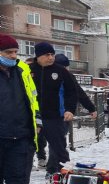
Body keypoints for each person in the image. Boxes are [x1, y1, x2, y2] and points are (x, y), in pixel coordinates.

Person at [0, 35, 40, 184]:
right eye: (8, 52)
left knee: (16, 179)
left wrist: (37, 120)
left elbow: (33, 97)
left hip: (21, 136)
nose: (13, 56)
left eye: (15, 52)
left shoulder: (22, 70)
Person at [29, 42, 76, 176]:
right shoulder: (28, 70)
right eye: (47, 55)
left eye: (52, 55)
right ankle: (23, 182)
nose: (50, 57)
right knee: (27, 149)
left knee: (59, 148)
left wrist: (69, 109)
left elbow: (72, 92)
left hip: (54, 117)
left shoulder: (60, 71)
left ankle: (64, 175)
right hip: (32, 118)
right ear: (38, 56)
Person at [54, 54, 97, 120]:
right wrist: (91, 109)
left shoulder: (45, 74)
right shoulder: (67, 76)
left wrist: (91, 108)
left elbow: (79, 93)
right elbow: (79, 93)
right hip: (61, 114)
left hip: (54, 114)